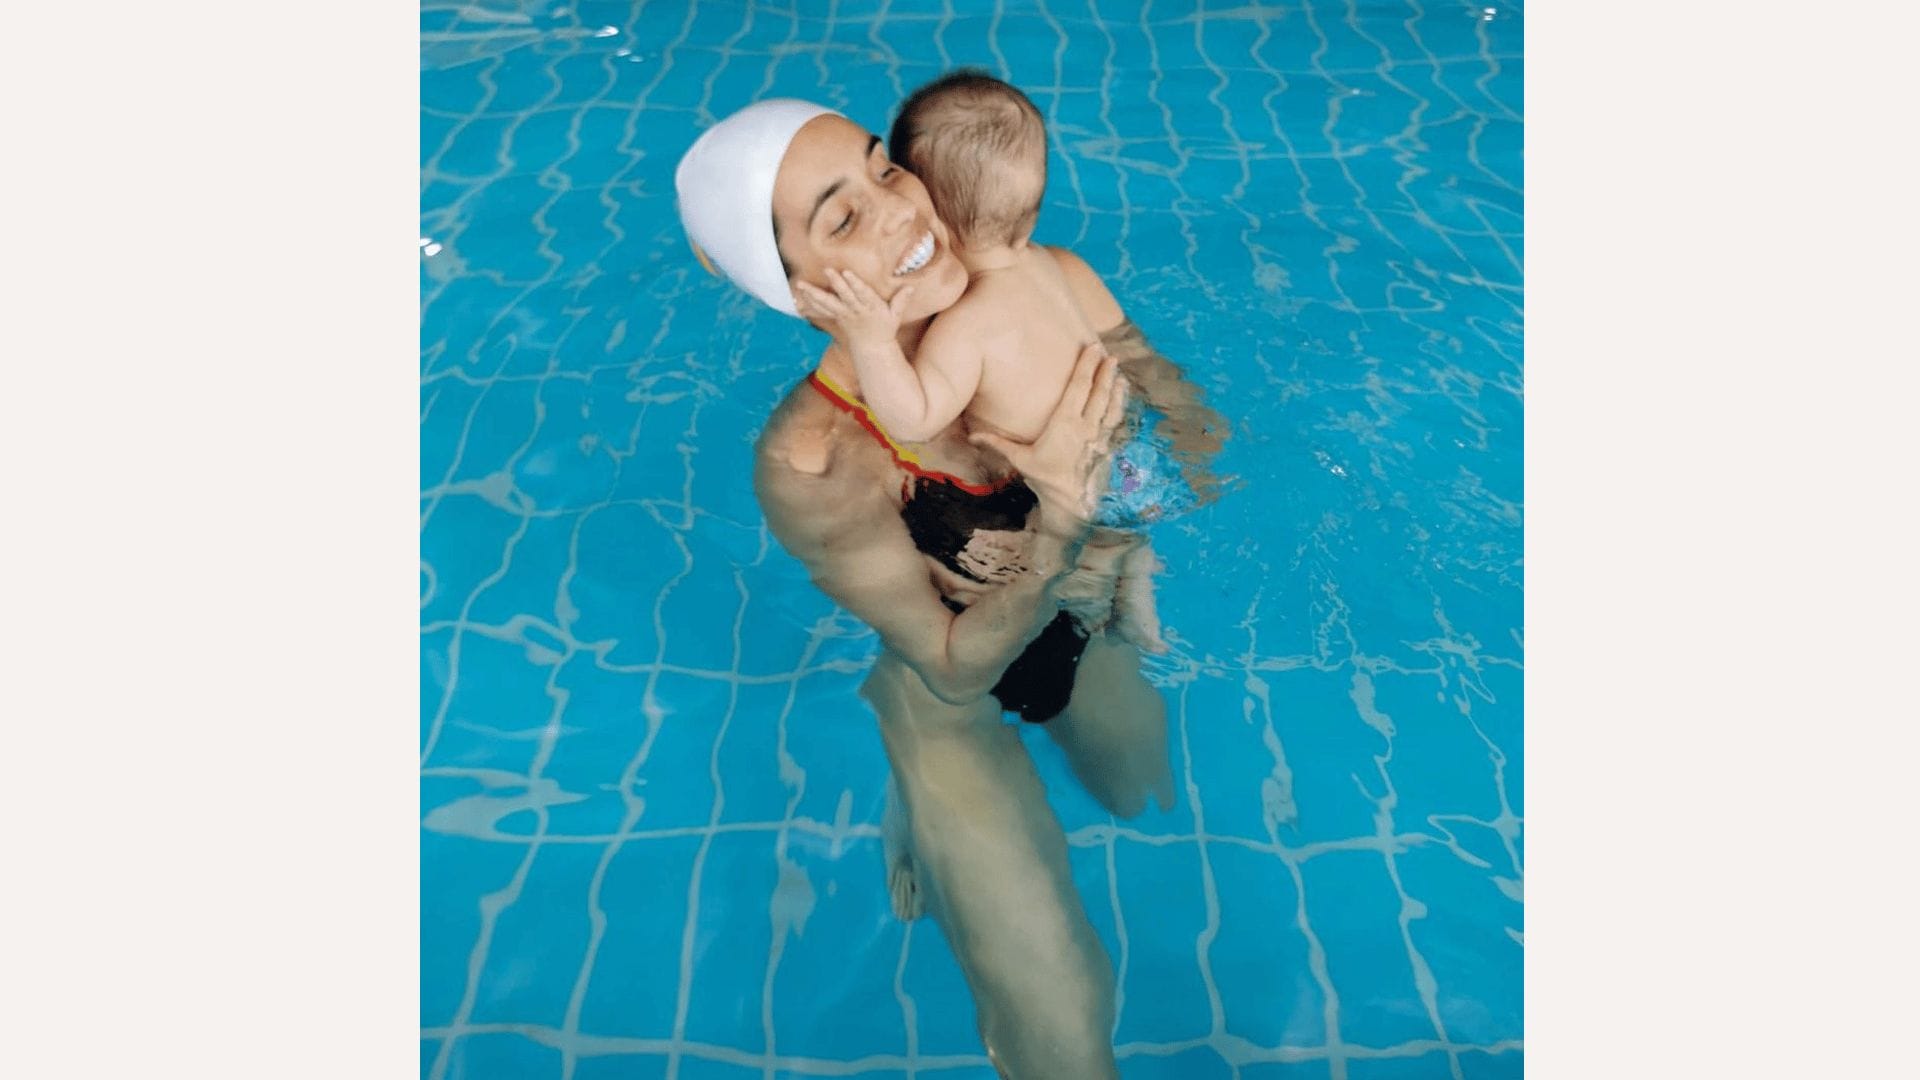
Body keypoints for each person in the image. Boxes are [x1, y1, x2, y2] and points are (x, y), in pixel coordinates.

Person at [676, 97, 1193, 1079]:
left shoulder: (1025, 288)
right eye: (843, 220)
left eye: (883, 168)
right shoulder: (819, 462)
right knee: (1066, 1016)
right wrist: (1066, 513)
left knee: (1141, 788)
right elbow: (955, 669)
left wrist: (1131, 531)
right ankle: (919, 784)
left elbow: (1164, 402)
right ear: (798, 292)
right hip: (947, 681)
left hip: (1068, 603)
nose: (903, 213)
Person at [790, 72, 1199, 654]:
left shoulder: (968, 325)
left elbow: (912, 418)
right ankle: (1141, 609)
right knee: (1125, 544)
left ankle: (1123, 615)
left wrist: (872, 339)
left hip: (1080, 492)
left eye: (891, 175)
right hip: (1133, 460)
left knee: (1088, 581)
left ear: (936, 213)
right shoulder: (1052, 268)